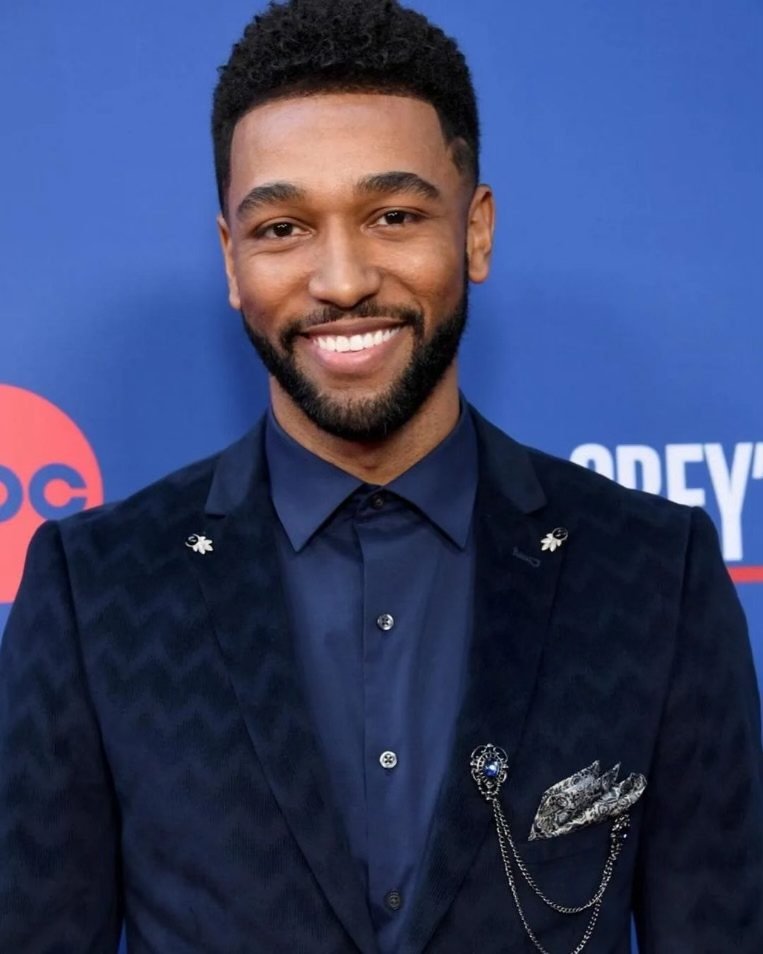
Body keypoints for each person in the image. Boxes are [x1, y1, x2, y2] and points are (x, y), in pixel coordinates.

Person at [1, 0, 761, 951]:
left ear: (475, 233)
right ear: (230, 259)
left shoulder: (654, 573)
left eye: (393, 215)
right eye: (282, 228)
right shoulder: (96, 590)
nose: (343, 277)